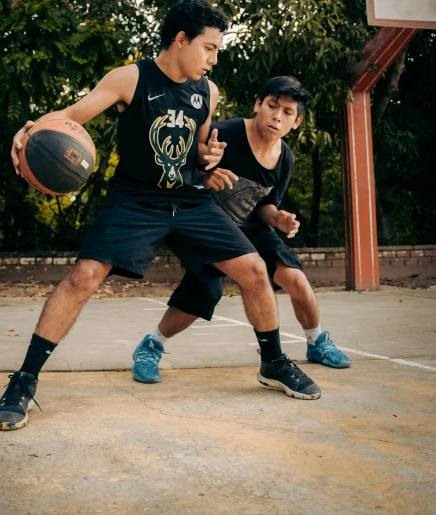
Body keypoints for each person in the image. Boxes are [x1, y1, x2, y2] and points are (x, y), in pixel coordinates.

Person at [0, 2, 320, 430]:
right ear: (180, 40)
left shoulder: (209, 92)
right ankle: (24, 380)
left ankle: (273, 363)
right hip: (135, 198)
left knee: (255, 269)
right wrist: (31, 128)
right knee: (83, 277)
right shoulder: (132, 77)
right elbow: (72, 116)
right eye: (208, 48)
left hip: (188, 199)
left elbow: (199, 153)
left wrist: (211, 158)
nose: (213, 58)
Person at [131, 75, 350, 385]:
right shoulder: (226, 133)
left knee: (295, 277)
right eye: (272, 106)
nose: (277, 115)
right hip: (205, 225)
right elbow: (180, 166)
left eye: (287, 112)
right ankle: (151, 346)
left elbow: (265, 205)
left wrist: (279, 219)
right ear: (258, 104)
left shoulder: (285, 158)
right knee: (206, 291)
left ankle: (317, 342)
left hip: (250, 227)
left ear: (297, 122)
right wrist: (205, 174)